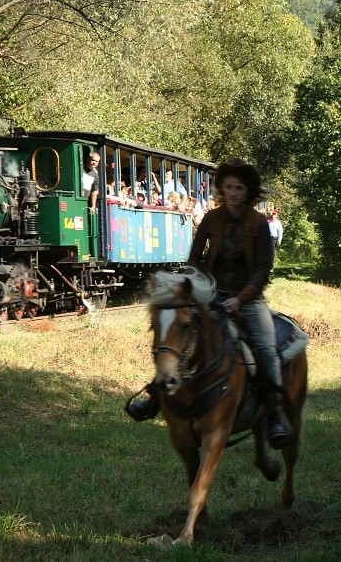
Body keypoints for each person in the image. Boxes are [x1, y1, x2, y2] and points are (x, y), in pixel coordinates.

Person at [126, 160, 295, 449]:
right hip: (211, 294)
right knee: (176, 337)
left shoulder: (259, 224)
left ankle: (275, 413)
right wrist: (193, 284)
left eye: (239, 188)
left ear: (249, 192)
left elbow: (264, 267)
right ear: (222, 189)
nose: (233, 192)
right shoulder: (211, 219)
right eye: (228, 187)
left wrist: (240, 298)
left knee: (267, 348)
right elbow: (194, 258)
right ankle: (155, 396)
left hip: (249, 299)